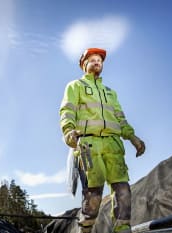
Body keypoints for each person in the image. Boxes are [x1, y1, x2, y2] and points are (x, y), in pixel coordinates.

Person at [59, 48, 145, 233]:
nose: (98, 62)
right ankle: (85, 230)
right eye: (93, 60)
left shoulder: (110, 93)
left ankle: (122, 229)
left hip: (113, 146)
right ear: (84, 65)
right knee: (94, 196)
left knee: (123, 191)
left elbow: (120, 118)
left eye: (100, 60)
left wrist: (133, 137)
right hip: (89, 146)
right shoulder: (76, 86)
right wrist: (68, 131)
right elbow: (67, 111)